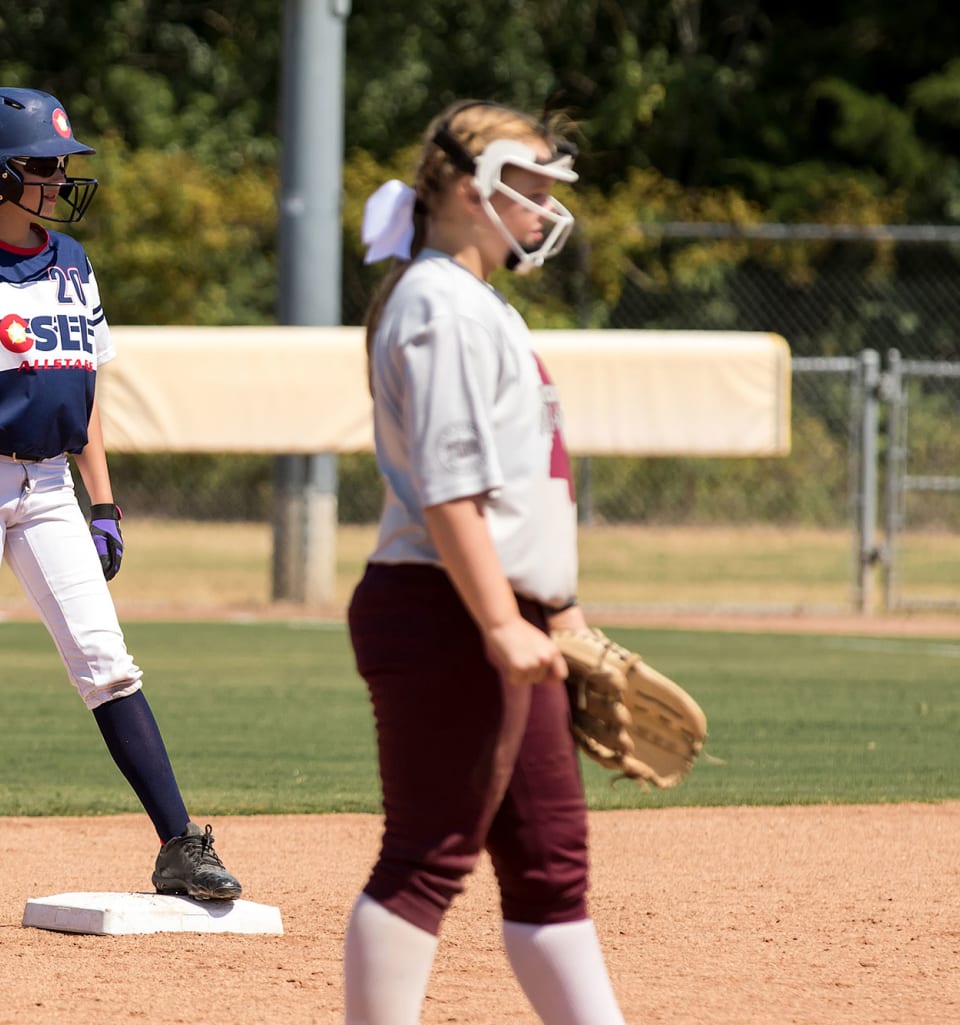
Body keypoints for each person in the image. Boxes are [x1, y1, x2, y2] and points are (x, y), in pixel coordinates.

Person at [0, 86, 241, 929]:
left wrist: (104, 500)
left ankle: (179, 844)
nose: (59, 178)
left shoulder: (73, 264)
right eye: (42, 165)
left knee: (106, 657)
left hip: (50, 482)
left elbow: (85, 395)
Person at [344, 100, 627, 1025]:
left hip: (498, 607)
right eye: (529, 185)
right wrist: (503, 621)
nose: (545, 207)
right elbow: (449, 487)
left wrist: (562, 613)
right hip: (449, 608)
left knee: (550, 859)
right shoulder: (437, 303)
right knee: (429, 854)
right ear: (469, 190)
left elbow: (523, 490)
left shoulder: (473, 302)